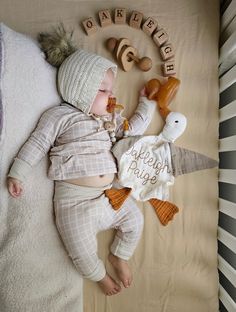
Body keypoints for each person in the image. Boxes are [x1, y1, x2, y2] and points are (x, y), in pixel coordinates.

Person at [7, 26, 156, 296]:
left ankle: (119, 256)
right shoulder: (60, 116)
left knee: (135, 220)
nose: (111, 96)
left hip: (110, 195)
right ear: (81, 89)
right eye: (103, 89)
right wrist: (18, 171)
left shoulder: (110, 120)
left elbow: (132, 129)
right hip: (74, 202)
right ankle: (99, 275)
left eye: (111, 90)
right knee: (79, 247)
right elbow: (38, 142)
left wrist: (147, 104)